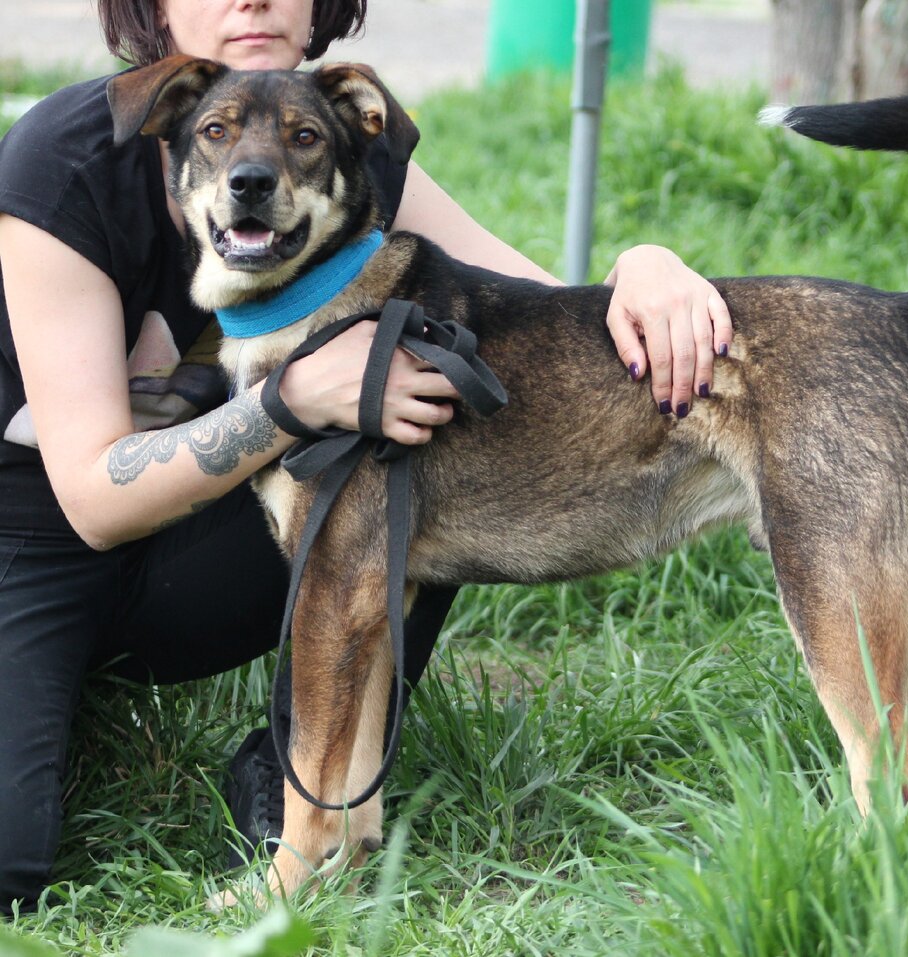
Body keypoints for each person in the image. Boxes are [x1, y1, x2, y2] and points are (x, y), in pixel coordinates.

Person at [0, 0, 732, 912]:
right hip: (38, 539)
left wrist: (645, 269)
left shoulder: (337, 135)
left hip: (212, 540)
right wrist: (294, 400)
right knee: (9, 867)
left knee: (425, 397)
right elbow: (90, 497)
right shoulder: (65, 160)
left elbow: (558, 319)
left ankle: (306, 796)